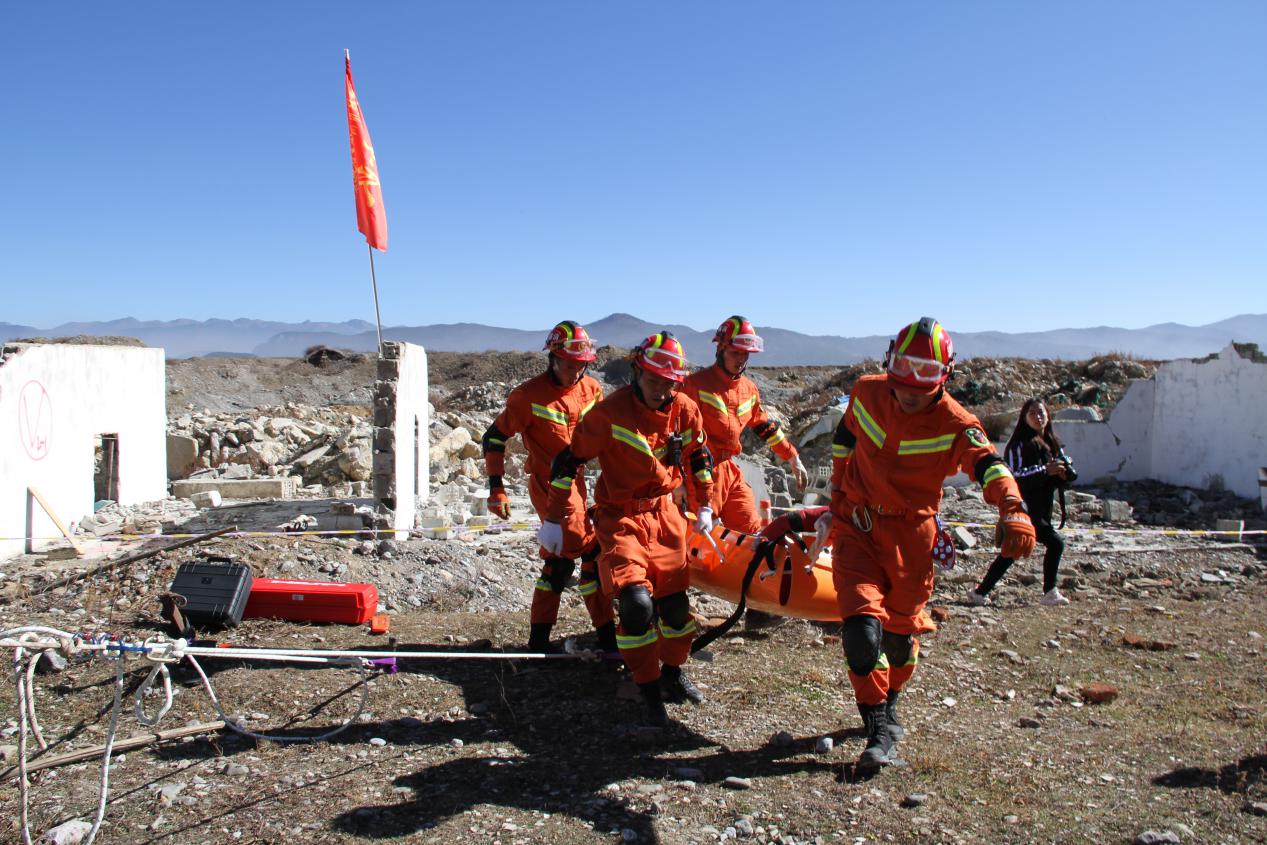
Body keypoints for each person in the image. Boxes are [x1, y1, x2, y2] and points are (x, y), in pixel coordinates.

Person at [822, 317, 1035, 777]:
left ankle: (890, 703)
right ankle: (878, 729)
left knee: (899, 640)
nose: (908, 395)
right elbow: (846, 437)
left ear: (945, 378)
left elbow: (988, 465)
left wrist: (1013, 507)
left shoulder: (958, 422)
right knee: (860, 631)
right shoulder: (866, 391)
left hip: (912, 537)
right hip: (857, 524)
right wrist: (837, 493)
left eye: (920, 388)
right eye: (901, 385)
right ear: (889, 369)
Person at [539, 331, 716, 726]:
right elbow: (567, 464)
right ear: (637, 372)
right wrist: (554, 517)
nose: (661, 390)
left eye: (669, 383)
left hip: (666, 516)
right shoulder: (607, 414)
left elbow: (699, 454)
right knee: (637, 605)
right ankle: (646, 688)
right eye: (654, 381)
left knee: (676, 610)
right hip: (619, 519)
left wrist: (705, 502)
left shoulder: (684, 408)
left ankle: (672, 674)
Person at [481, 320, 616, 654]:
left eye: (582, 366)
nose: (576, 372)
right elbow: (494, 437)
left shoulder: (592, 389)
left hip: (580, 481)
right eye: (570, 365)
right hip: (548, 483)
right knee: (582, 552)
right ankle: (594, 637)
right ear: (553, 359)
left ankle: (547, 642)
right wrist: (496, 488)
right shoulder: (528, 396)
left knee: (568, 560)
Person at [682, 316, 808, 628]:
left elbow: (764, 426)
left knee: (754, 535)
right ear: (721, 349)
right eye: (735, 352)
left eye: (745, 354)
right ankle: (671, 610)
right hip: (697, 473)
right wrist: (675, 482)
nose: (741, 359)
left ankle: (758, 607)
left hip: (730, 473)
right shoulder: (694, 386)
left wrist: (792, 457)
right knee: (690, 543)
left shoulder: (749, 389)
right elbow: (673, 434)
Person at [966, 398, 1077, 607]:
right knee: (1054, 543)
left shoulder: (1053, 443)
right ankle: (1049, 591)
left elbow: (1069, 474)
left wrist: (1063, 473)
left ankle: (980, 592)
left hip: (1043, 507)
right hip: (1025, 507)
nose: (1038, 417)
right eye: (1033, 413)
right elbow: (1015, 474)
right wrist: (1046, 470)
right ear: (1024, 418)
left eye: (1041, 412)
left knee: (1012, 550)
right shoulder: (1019, 445)